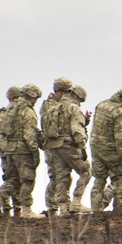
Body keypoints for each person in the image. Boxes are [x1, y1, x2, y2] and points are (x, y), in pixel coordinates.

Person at [90, 85, 122, 211]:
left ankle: (96, 210)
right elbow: (121, 138)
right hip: (111, 149)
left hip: (96, 148)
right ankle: (120, 210)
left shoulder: (101, 105)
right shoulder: (121, 112)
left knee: (99, 179)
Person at [43, 83, 92, 215]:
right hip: (69, 146)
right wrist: (82, 147)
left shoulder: (53, 107)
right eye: (80, 100)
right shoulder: (73, 108)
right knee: (86, 171)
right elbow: (77, 129)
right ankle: (76, 202)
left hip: (54, 147)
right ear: (77, 96)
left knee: (62, 177)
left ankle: (63, 208)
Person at [0, 84, 46, 218]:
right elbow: (29, 133)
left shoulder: (11, 109)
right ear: (31, 96)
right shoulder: (27, 111)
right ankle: (26, 210)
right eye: (35, 98)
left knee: (13, 179)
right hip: (22, 151)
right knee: (27, 179)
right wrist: (34, 150)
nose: (35, 101)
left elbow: (4, 131)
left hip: (10, 149)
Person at [0, 86, 23, 217]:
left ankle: (8, 210)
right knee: (16, 179)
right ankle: (13, 209)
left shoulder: (1, 113)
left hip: (3, 151)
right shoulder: (13, 113)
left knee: (9, 178)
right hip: (12, 150)